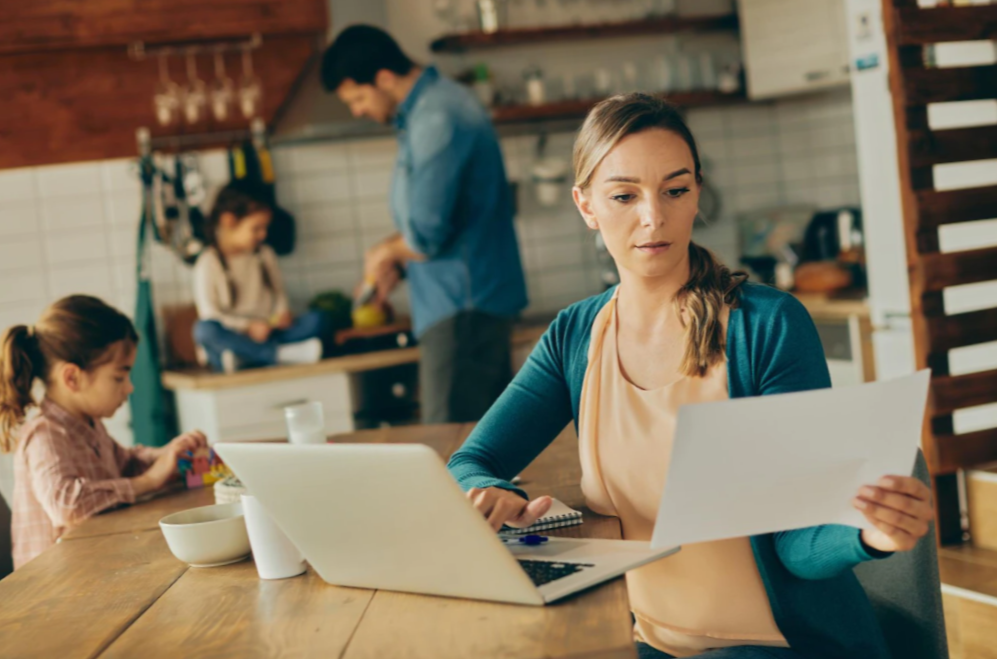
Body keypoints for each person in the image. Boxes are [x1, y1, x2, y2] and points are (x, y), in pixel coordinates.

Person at [446, 94, 934, 659]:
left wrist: (870, 536)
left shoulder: (767, 327)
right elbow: (469, 463)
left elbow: (795, 542)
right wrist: (493, 496)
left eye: (675, 190)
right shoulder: (575, 337)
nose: (654, 217)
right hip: (652, 644)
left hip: (782, 647)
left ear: (697, 190)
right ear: (586, 205)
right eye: (624, 196)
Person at [321, 25, 528, 423]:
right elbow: (437, 222)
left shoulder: (438, 117)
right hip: (463, 306)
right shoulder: (429, 111)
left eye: (359, 97)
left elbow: (428, 232)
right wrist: (395, 261)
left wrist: (383, 251)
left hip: (464, 311)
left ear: (384, 77)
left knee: (455, 454)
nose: (357, 111)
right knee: (474, 455)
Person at [0, 295, 208, 569]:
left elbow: (125, 463)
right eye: (119, 377)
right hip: (56, 590)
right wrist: (149, 480)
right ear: (72, 377)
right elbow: (66, 505)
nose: (129, 387)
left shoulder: (88, 424)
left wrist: (167, 454)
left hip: (93, 567)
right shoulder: (45, 435)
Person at [192, 180, 327, 373]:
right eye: (256, 228)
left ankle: (249, 358)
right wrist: (248, 327)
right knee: (205, 330)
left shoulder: (264, 254)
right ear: (229, 221)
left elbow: (279, 292)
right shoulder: (208, 262)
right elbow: (211, 313)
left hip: (270, 333)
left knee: (318, 319)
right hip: (236, 336)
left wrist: (282, 312)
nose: (263, 235)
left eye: (265, 228)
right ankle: (280, 355)